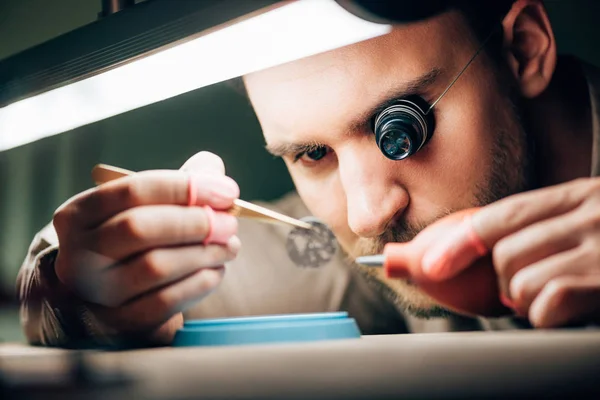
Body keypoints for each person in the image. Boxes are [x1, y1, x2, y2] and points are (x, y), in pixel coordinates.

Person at [17, 0, 600, 348]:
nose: (367, 213)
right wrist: (86, 286)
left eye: (399, 129)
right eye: (313, 156)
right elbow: (68, 294)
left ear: (523, 48)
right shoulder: (345, 256)